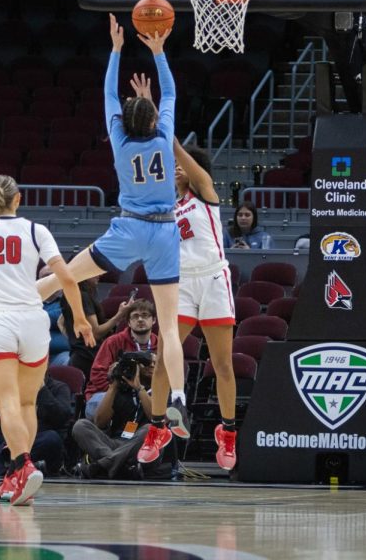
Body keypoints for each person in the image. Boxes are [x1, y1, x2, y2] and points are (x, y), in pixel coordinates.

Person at [35, 15, 189, 444]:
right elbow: (171, 92)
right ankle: (176, 395)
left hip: (128, 229)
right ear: (155, 118)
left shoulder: (120, 141)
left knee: (59, 277)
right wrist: (158, 53)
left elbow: (107, 94)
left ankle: (9, 306)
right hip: (162, 232)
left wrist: (116, 48)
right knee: (171, 327)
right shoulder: (164, 137)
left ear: (123, 119)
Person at [0, 175, 93, 505]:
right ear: (18, 199)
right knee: (28, 403)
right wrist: (81, 318)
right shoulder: (35, 230)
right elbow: (67, 276)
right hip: (33, 321)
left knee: (7, 404)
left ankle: (22, 466)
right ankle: (16, 478)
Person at [127, 73, 238, 469]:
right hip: (182, 285)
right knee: (163, 355)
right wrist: (144, 116)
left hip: (213, 280)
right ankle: (157, 426)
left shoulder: (206, 194)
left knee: (221, 363)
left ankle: (227, 431)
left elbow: (171, 146)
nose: (174, 168)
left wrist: (156, 117)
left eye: (180, 166)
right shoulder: (167, 206)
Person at [0, 374, 73, 478]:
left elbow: (62, 418)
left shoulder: (59, 387)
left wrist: (41, 389)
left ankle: (6, 464)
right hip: (7, 440)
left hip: (36, 438)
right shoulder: (10, 385)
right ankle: (11, 466)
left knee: (52, 438)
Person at [72, 351, 156, 479]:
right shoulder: (122, 389)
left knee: (150, 429)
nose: (151, 366)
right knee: (80, 425)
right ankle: (119, 466)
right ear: (137, 367)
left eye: (155, 364)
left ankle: (105, 464)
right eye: (148, 363)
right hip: (115, 443)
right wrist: (113, 386)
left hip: (142, 447)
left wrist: (139, 388)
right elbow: (100, 422)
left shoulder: (162, 389)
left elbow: (155, 418)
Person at [84, 299, 158, 419]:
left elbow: (169, 377)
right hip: (110, 392)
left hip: (145, 393)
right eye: (135, 316)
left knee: (165, 407)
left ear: (153, 320)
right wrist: (116, 382)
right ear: (128, 322)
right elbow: (97, 375)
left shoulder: (161, 345)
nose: (140, 319)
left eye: (145, 315)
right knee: (96, 408)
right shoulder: (113, 342)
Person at [58, 278, 125, 382]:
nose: (100, 275)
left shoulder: (70, 295)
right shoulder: (83, 297)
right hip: (90, 357)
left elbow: (60, 322)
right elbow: (95, 333)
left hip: (78, 355)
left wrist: (76, 340)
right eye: (95, 272)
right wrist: (118, 316)